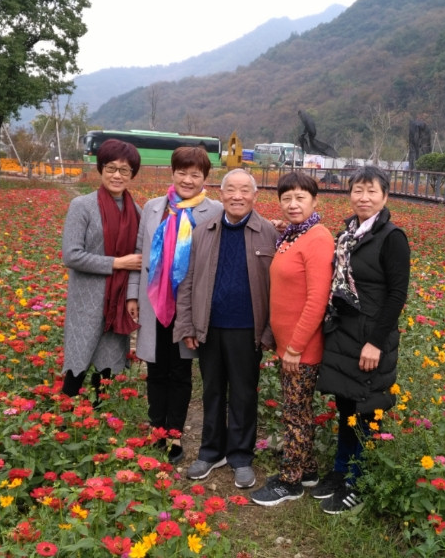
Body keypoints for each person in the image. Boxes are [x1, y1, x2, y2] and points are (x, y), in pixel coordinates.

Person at [314, 165, 410, 514]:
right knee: (346, 406)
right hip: (345, 333)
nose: (364, 197)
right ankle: (341, 471)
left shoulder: (392, 237)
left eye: (372, 191)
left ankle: (359, 479)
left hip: (371, 336)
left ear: (385, 196)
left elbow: (397, 295)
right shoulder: (348, 234)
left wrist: (376, 343)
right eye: (358, 190)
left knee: (367, 410)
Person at [173, 169, 277, 488]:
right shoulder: (204, 230)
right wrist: (187, 323)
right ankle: (211, 451)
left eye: (244, 190)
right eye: (231, 189)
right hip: (210, 326)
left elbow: (279, 288)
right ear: (221, 194)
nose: (237, 196)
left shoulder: (269, 232)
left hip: (247, 328)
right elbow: (188, 280)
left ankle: (241, 456)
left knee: (244, 393)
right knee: (212, 391)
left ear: (255, 196)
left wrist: (270, 331)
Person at [126, 147, 221, 463]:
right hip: (155, 301)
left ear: (205, 178)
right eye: (182, 172)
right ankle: (157, 429)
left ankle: (175, 434)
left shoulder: (214, 211)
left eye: (195, 174)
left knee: (180, 370)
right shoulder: (154, 208)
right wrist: (133, 294)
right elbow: (140, 253)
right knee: (155, 368)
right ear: (172, 173)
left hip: (189, 305)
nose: (188, 180)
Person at [251, 172, 334, 506]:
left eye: (300, 197)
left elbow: (317, 300)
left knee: (295, 414)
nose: (293, 204)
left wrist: (296, 347)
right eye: (286, 198)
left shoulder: (318, 237)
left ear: (315, 201)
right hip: (289, 345)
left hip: (303, 348)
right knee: (297, 409)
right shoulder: (292, 235)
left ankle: (290, 482)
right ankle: (308, 470)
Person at [61, 139, 142, 403]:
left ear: (132, 174)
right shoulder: (82, 206)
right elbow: (71, 255)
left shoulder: (136, 211)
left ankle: (96, 417)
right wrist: (116, 263)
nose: (117, 175)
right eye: (111, 168)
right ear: (101, 169)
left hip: (117, 300)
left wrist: (132, 296)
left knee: (105, 368)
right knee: (78, 362)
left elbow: (139, 258)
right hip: (87, 300)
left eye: (124, 170)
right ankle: (64, 416)